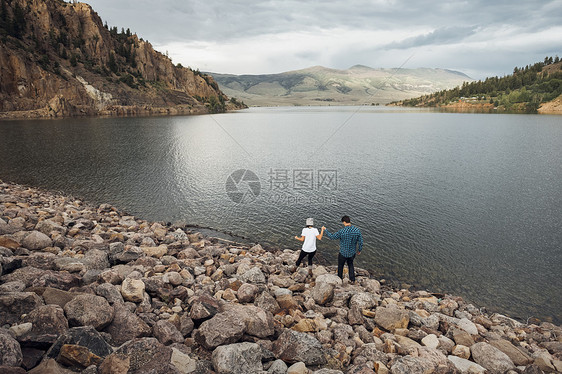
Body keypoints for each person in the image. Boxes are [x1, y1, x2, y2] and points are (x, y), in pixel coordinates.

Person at [322, 215, 363, 283]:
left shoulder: (342, 231)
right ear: (349, 221)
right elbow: (361, 242)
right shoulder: (357, 230)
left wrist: (325, 230)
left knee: (340, 266)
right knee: (351, 265)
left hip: (343, 253)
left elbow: (332, 237)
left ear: (344, 222)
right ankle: (352, 280)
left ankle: (339, 279)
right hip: (352, 253)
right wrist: (359, 250)